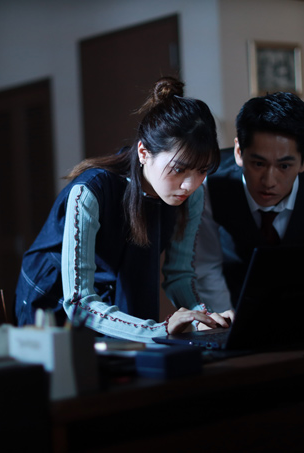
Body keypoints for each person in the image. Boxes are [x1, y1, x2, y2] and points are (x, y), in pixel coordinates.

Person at [15, 77, 234, 342]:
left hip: (106, 299)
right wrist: (159, 330)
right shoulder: (89, 192)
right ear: (143, 152)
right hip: (54, 304)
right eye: (179, 169)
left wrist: (204, 318)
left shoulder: (192, 195)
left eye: (202, 170)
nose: (190, 184)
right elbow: (79, 302)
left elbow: (179, 274)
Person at [195, 92, 304, 313]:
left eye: (284, 166)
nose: (269, 181)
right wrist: (226, 325)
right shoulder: (210, 183)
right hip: (234, 300)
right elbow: (206, 267)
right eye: (258, 164)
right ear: (239, 152)